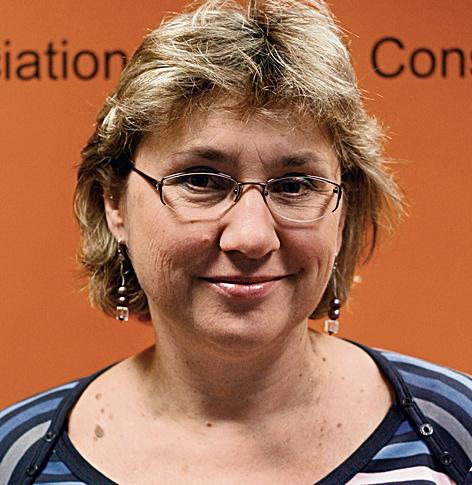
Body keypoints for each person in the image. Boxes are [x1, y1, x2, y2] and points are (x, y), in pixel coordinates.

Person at [1, 0, 471, 483]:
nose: (251, 236)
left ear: (343, 211)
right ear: (114, 203)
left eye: (295, 185)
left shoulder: (458, 432)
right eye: (202, 181)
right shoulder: (17, 458)